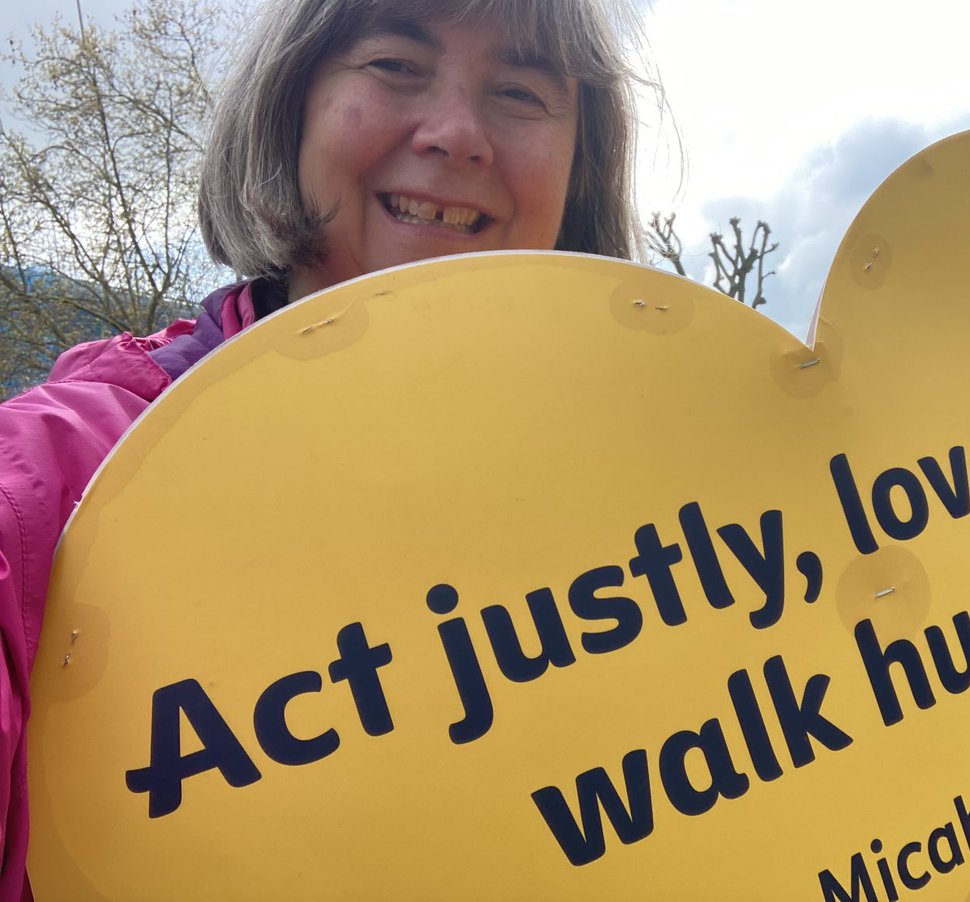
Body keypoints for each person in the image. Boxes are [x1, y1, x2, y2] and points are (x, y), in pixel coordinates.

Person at [0, 0, 653, 895]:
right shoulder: (56, 489)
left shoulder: (662, 482)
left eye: (521, 90)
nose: (459, 133)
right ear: (289, 111)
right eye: (394, 64)